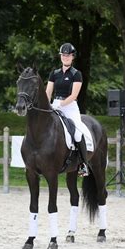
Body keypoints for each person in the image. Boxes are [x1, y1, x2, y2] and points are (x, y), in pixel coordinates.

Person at [45, 42, 89, 177]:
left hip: (70, 106)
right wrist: (48, 104)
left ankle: (83, 164)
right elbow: (48, 92)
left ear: (72, 57)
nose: (65, 57)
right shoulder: (55, 73)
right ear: (60, 56)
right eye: (63, 55)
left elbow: (74, 95)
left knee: (77, 132)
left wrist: (61, 104)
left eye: (68, 55)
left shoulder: (77, 74)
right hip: (55, 104)